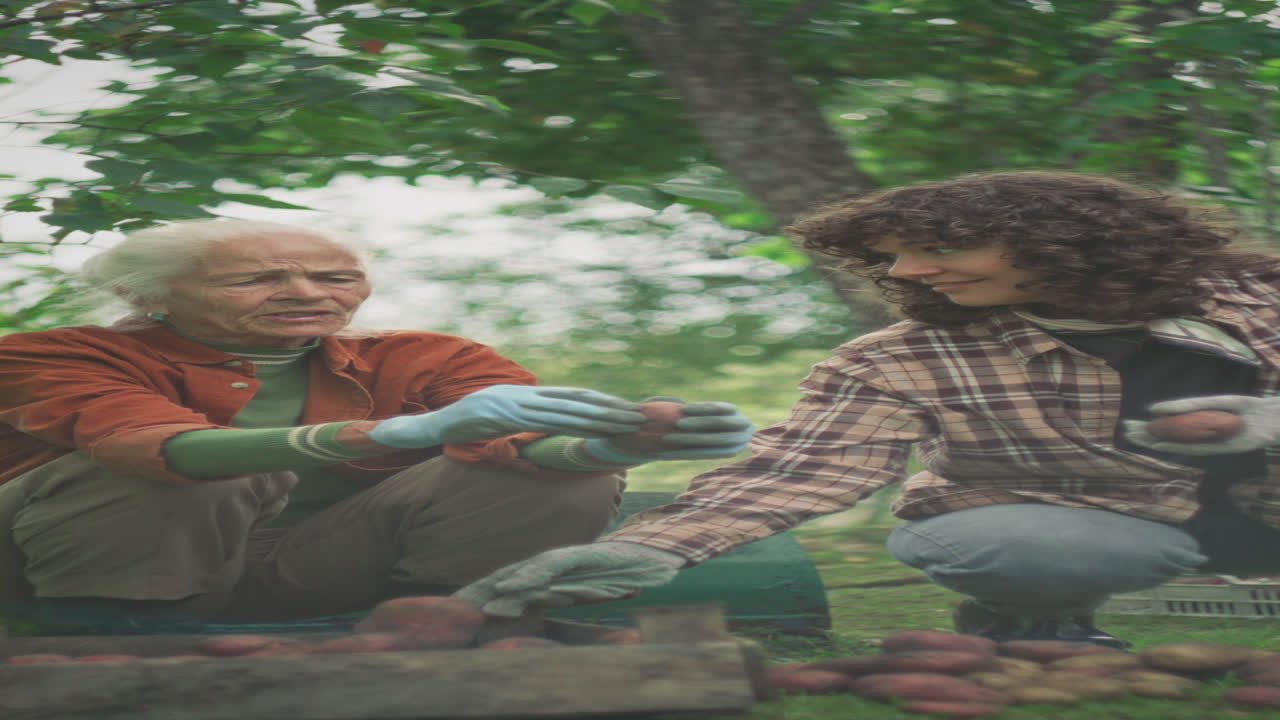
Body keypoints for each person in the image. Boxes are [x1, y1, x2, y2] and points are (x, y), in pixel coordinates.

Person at [455, 170, 1280, 647]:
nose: (914, 272)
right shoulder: (900, 360)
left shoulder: (1257, 300)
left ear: (1066, 247)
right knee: (1027, 547)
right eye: (898, 256)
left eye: (940, 249)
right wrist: (648, 550)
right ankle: (1034, 619)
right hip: (1089, 522)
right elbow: (796, 471)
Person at [0, 219, 754, 622]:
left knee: (547, 479)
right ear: (151, 296)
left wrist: (604, 443)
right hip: (85, 570)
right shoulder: (50, 354)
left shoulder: (424, 355)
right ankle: (110, 641)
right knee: (211, 465)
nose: (306, 290)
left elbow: (516, 439)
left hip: (312, 561)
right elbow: (150, 445)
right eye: (259, 277)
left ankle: (449, 629)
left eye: (336, 276)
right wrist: (395, 433)